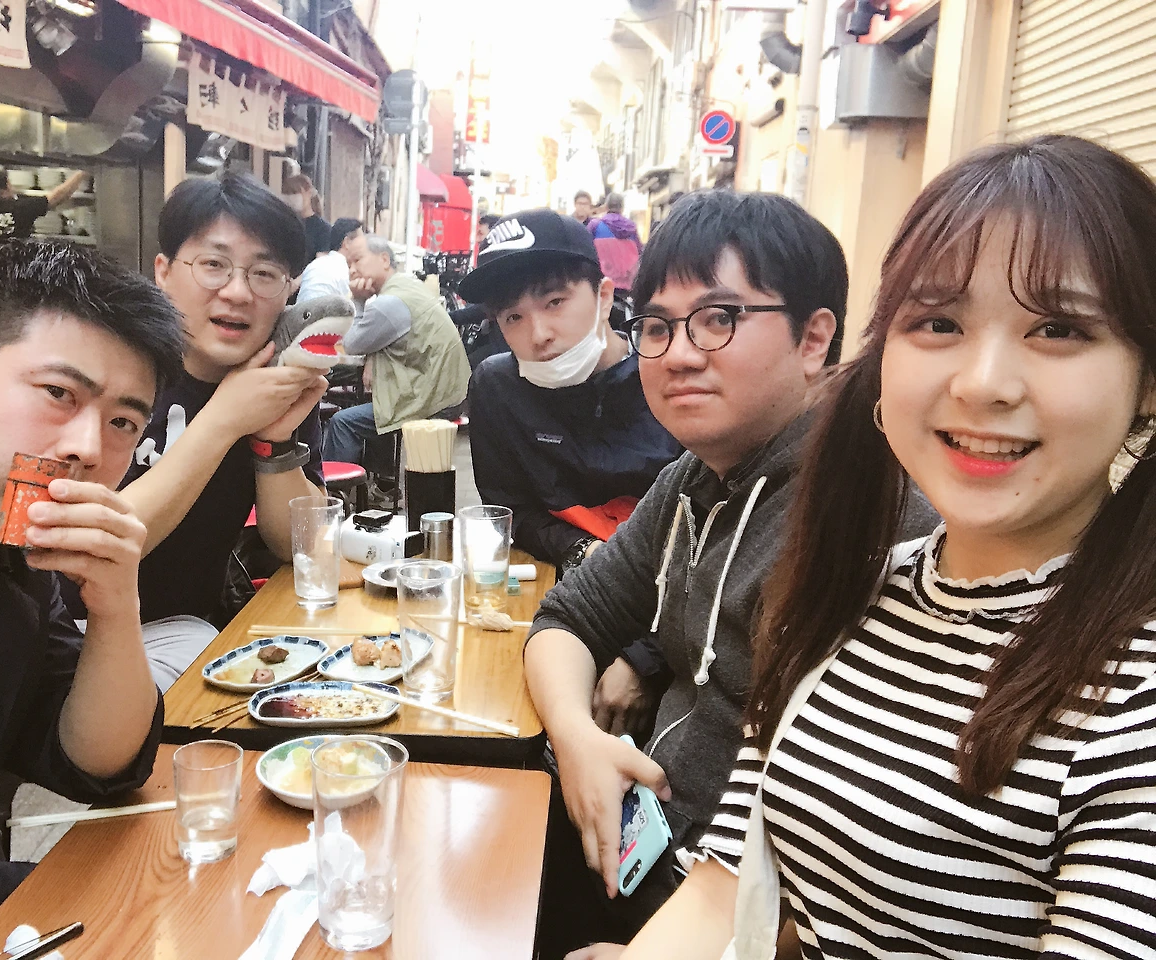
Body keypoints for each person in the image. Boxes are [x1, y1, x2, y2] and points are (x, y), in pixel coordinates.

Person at [624, 136, 1156, 960]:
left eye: (1058, 328)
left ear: (1146, 379)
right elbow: (723, 892)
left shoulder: (1134, 696)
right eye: (938, 322)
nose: (982, 382)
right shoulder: (845, 594)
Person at [523, 190, 936, 957]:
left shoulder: (869, 515)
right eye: (657, 327)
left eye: (718, 319)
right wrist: (576, 738)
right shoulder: (692, 479)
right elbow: (567, 618)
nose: (679, 354)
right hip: (634, 858)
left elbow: (868, 855)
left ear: (815, 339)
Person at [0, 240, 186, 959]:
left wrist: (115, 608)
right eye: (58, 394)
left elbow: (98, 764)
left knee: (173, 897)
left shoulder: (9, 566)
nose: (87, 448)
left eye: (122, 422)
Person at [60, 173, 328, 691]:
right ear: (163, 271)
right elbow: (93, 547)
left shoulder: (274, 381)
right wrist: (225, 419)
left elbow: (301, 549)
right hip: (65, 627)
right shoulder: (112, 366)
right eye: (213, 265)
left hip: (185, 633)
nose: (237, 292)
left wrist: (273, 443)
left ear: (288, 291)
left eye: (265, 273)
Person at [458, 209, 682, 569]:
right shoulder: (497, 388)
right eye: (513, 317)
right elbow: (511, 510)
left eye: (555, 303)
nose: (539, 335)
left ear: (604, 297)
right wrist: (583, 551)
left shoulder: (669, 374)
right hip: (560, 581)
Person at [323, 234, 470, 465]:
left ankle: (335, 486)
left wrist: (358, 301)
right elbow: (386, 336)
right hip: (448, 390)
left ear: (384, 259)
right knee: (378, 400)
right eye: (349, 264)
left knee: (343, 422)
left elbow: (351, 344)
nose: (352, 270)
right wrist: (373, 355)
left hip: (433, 400)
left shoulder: (388, 303)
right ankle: (383, 480)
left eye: (357, 260)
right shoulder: (408, 284)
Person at [0, 168, 87, 242]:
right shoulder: (20, 208)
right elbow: (58, 196)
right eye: (9, 184)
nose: (12, 188)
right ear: (2, 192)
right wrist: (82, 172)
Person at [295, 217, 363, 303]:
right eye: (361, 242)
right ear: (347, 243)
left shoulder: (313, 265)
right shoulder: (344, 272)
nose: (364, 247)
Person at [281, 163, 331, 266]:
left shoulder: (322, 229)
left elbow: (321, 264)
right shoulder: (282, 224)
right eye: (287, 194)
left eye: (295, 193)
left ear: (309, 193)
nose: (292, 197)